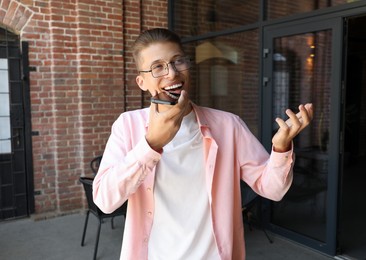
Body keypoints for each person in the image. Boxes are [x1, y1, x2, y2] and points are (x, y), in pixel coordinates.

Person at [92, 28, 314, 260]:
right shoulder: (128, 126)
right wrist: (151, 145)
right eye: (158, 66)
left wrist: (280, 148)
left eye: (178, 61)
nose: (172, 73)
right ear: (142, 81)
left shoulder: (228, 125)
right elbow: (105, 201)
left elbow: (272, 189)